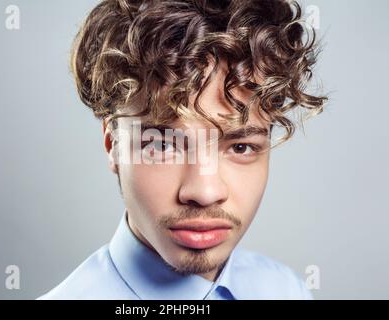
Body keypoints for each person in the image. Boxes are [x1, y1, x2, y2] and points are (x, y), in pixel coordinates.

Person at [39, 0, 327, 299]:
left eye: (240, 147)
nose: (205, 192)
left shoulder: (285, 290)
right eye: (163, 145)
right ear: (112, 144)